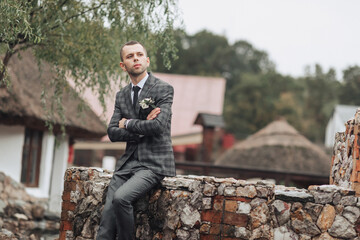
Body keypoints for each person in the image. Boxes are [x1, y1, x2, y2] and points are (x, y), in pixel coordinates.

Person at [96, 40, 176, 240]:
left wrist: (129, 123)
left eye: (139, 55)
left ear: (147, 60)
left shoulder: (163, 89)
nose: (136, 59)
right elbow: (113, 132)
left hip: (154, 163)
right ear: (123, 65)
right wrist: (142, 126)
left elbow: (158, 126)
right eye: (130, 56)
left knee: (121, 198)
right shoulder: (121, 95)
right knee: (107, 219)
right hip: (127, 162)